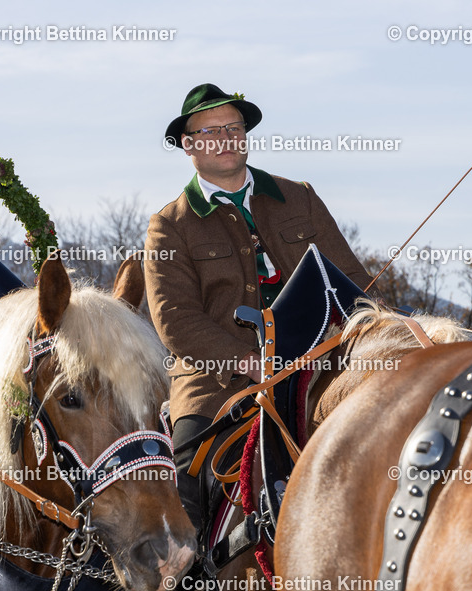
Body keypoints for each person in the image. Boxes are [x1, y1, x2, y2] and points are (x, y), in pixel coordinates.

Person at [145, 83, 370, 530]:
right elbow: (175, 319)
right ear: (188, 146)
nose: (226, 138)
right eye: (210, 132)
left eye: (234, 127)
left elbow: (355, 282)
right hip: (216, 386)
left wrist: (382, 334)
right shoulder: (169, 226)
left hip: (320, 364)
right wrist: (247, 362)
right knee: (184, 488)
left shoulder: (300, 197)